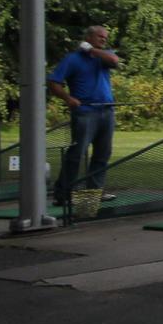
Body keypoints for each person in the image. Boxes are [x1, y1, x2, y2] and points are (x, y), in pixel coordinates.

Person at [48, 27, 121, 209]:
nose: (104, 40)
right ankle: (63, 194)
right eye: (100, 37)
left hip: (106, 111)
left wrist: (91, 50)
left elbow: (113, 60)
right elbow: (54, 82)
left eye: (105, 37)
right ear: (88, 37)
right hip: (85, 112)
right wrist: (68, 98)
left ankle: (94, 192)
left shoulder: (103, 55)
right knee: (77, 153)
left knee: (102, 154)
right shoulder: (72, 59)